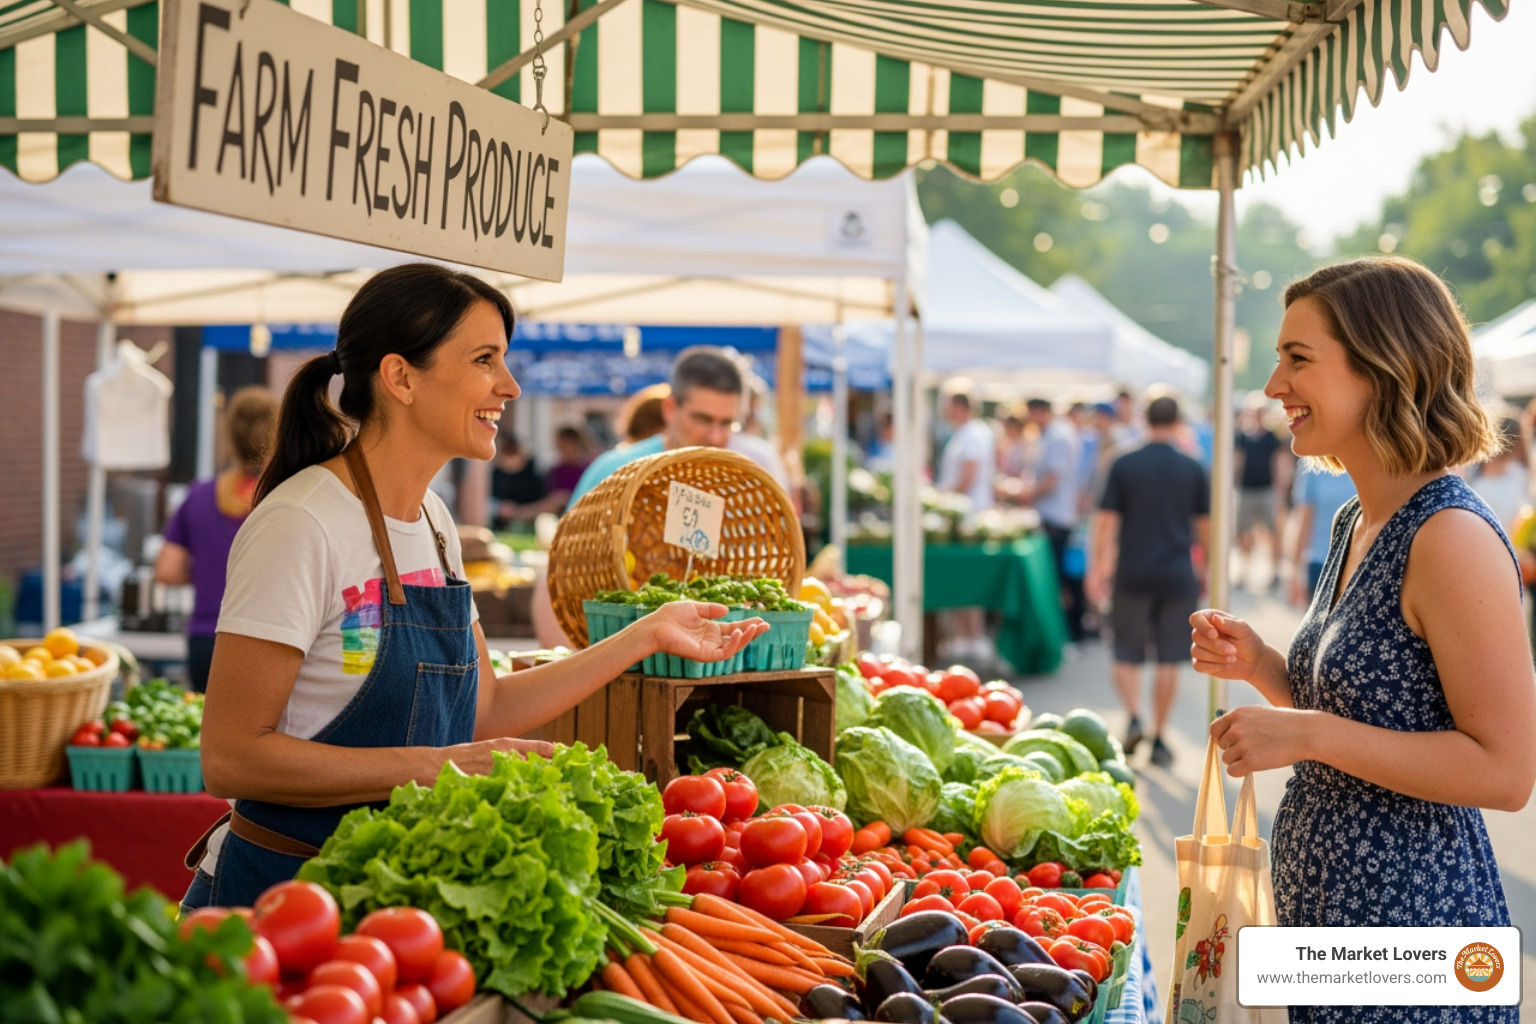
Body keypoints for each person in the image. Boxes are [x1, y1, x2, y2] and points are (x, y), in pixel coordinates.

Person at [182, 265, 767, 911]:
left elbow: (484, 708)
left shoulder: (434, 521)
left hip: (395, 896)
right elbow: (231, 759)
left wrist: (643, 636)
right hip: (280, 902)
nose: (509, 386)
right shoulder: (302, 523)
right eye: (485, 359)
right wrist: (435, 766)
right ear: (401, 377)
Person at [1191, 256, 1536, 1024]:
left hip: (1414, 936)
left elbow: (1507, 773)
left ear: (1382, 368)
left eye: (1298, 359)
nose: (1275, 385)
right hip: (1337, 927)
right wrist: (1263, 667)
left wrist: (1308, 732)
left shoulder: (1450, 536)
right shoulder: (1356, 519)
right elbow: (1372, 713)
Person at [1086, 394, 1208, 767]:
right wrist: (1208, 571)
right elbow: (1206, 526)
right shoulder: (1193, 467)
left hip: (1132, 571)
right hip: (1177, 573)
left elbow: (1106, 521)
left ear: (1144, 418)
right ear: (1177, 422)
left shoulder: (1123, 462)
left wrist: (1097, 567)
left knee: (1126, 651)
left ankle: (1134, 716)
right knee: (1170, 657)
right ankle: (1158, 734)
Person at [155, 386, 278, 693]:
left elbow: (166, 571)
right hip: (270, 642)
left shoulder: (198, 495)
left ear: (230, 435)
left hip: (207, 641)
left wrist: (211, 573)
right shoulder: (286, 496)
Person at [568, 347, 786, 505]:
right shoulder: (613, 472)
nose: (717, 437)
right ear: (670, 409)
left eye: (728, 423)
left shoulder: (750, 480)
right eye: (703, 419)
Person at [935, 392, 996, 664]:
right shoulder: (967, 433)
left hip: (968, 515)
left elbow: (968, 477)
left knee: (969, 577)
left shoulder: (973, 434)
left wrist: (942, 496)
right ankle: (964, 636)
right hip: (963, 514)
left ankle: (973, 636)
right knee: (962, 576)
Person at [1025, 398, 1086, 644]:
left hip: (1057, 517)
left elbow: (1053, 480)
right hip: (1056, 515)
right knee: (1063, 577)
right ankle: (1071, 633)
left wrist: (1026, 493)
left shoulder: (1058, 435)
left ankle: (1073, 634)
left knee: (1064, 579)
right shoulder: (1053, 433)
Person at [1286, 461, 1356, 607]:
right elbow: (1304, 522)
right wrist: (1294, 572)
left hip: (1358, 569)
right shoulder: (1312, 465)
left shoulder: (1368, 462)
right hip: (1319, 567)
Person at [1233, 402, 1285, 589]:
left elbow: (1279, 461)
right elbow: (1238, 460)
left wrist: (1280, 486)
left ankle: (1275, 572)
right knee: (1243, 532)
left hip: (1266, 490)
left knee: (1272, 532)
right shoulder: (1242, 437)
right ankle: (1244, 571)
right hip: (1247, 490)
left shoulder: (1272, 437)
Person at [489, 430, 548, 528]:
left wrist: (518, 511)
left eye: (512, 452)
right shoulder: (495, 475)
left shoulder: (534, 475)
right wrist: (498, 507)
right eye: (507, 452)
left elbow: (542, 501)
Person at [544, 425, 593, 513]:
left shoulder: (588, 469)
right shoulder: (556, 470)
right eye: (559, 446)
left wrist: (569, 497)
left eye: (565, 445)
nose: (561, 450)